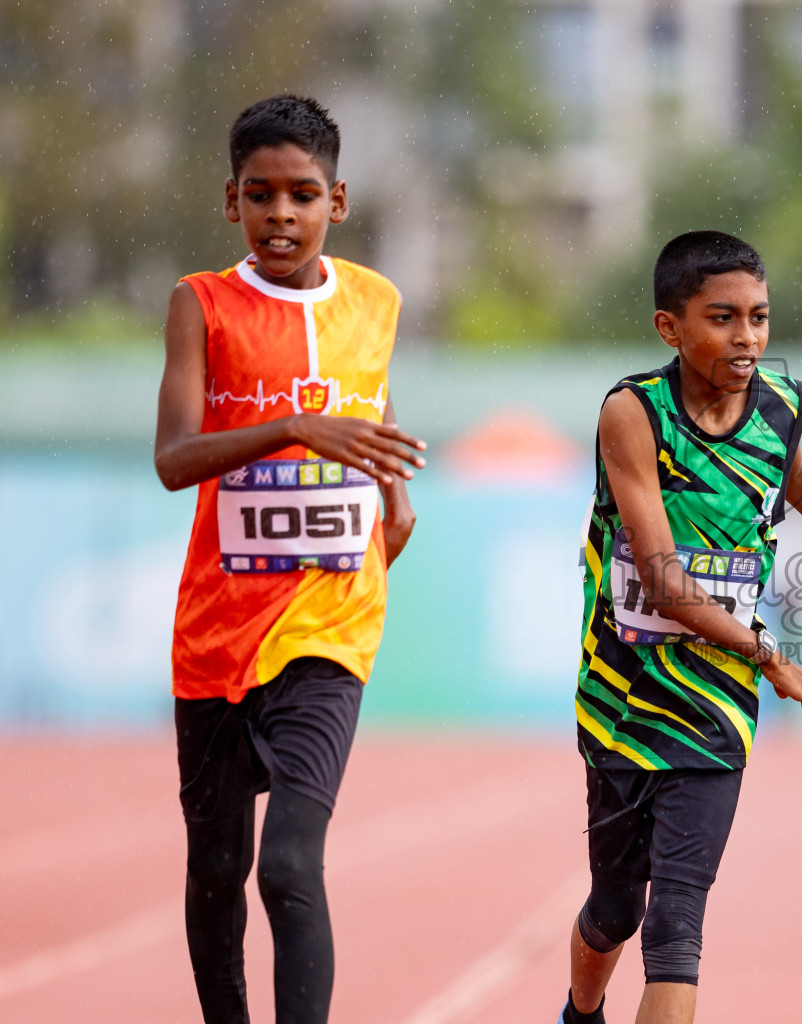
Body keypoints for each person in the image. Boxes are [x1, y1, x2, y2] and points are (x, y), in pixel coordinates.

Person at [562, 230, 802, 1024]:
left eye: (759, 317)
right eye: (723, 318)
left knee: (678, 927)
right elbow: (664, 582)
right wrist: (770, 655)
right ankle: (580, 1013)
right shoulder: (633, 413)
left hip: (715, 706)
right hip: (621, 698)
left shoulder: (785, 409)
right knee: (616, 909)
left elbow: (797, 478)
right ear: (669, 328)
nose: (747, 337)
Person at [153, 95, 427, 1024]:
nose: (281, 215)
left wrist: (395, 500)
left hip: (334, 622)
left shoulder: (377, 301)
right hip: (218, 633)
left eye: (302, 195)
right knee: (217, 872)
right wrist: (291, 427)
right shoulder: (201, 304)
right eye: (260, 195)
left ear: (337, 201)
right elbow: (172, 460)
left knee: (291, 865)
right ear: (231, 202)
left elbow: (373, 406)